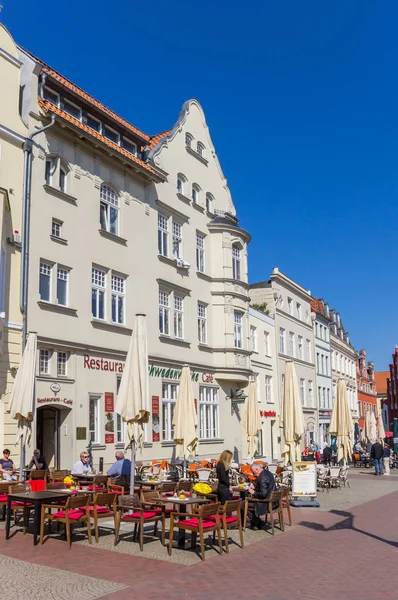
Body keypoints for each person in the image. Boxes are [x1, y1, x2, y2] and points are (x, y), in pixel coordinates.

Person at [246, 463, 276, 530]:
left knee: (243, 504)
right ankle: (255, 524)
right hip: (273, 500)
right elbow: (264, 485)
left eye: (253, 472)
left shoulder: (262, 478)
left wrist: (253, 493)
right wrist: (255, 485)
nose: (253, 474)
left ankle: (258, 523)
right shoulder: (267, 472)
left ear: (257, 469)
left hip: (266, 502)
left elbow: (263, 494)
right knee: (247, 502)